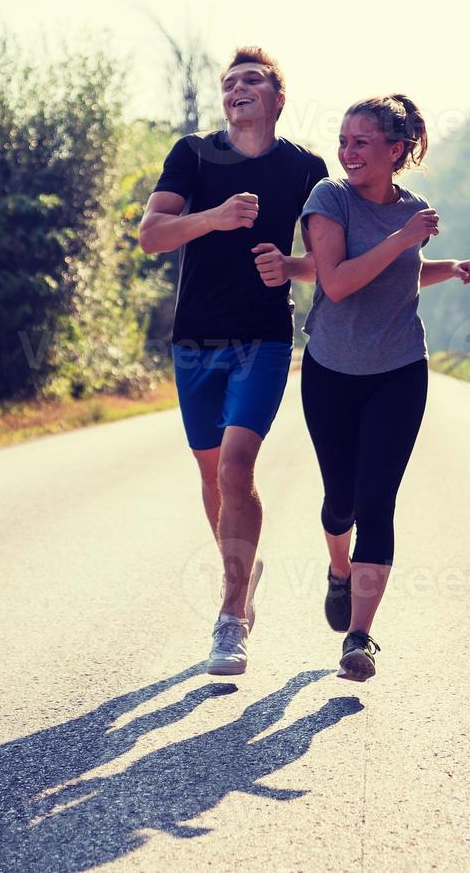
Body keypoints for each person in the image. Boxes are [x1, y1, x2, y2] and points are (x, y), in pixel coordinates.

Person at [138, 47, 328, 676]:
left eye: (252, 81)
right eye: (229, 83)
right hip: (194, 338)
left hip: (265, 338)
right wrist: (215, 219)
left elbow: (328, 257)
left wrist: (291, 269)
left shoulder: (307, 167)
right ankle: (243, 574)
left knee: (237, 465)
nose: (237, 89)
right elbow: (151, 234)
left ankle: (230, 616)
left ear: (278, 98)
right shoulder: (193, 154)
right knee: (213, 469)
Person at [297, 94, 470, 682]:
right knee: (341, 501)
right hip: (330, 370)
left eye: (362, 142)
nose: (347, 152)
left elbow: (398, 273)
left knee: (378, 502)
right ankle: (338, 569)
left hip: (400, 370)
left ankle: (360, 637)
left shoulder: (415, 211)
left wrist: (444, 267)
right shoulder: (329, 199)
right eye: (344, 140)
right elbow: (339, 280)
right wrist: (404, 240)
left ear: (395, 150)